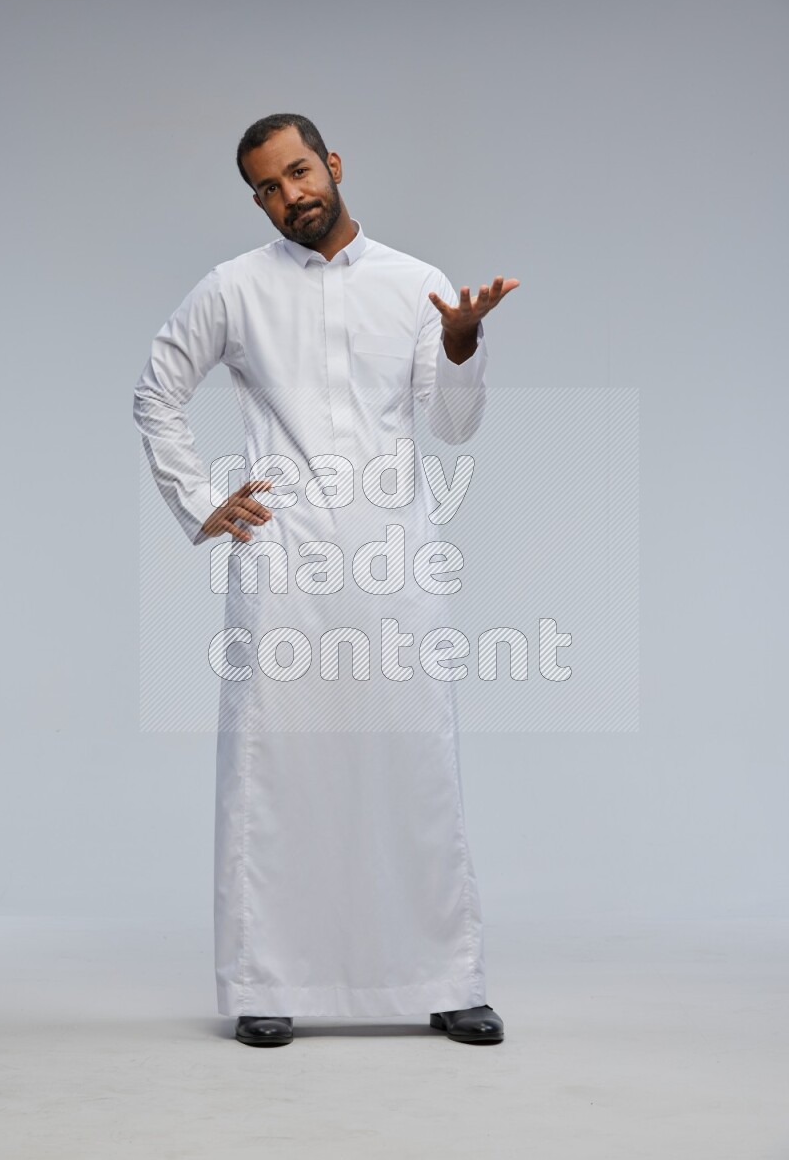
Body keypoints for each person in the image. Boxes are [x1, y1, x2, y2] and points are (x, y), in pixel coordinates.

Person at [133, 113, 518, 1047]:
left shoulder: (414, 283)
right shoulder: (235, 288)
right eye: (267, 186)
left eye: (299, 171)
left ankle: (447, 977)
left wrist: (461, 346)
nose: (289, 195)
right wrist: (201, 501)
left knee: (413, 765)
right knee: (277, 771)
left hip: (393, 557)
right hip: (286, 564)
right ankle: (268, 979)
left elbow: (453, 427)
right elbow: (157, 390)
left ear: (333, 165)